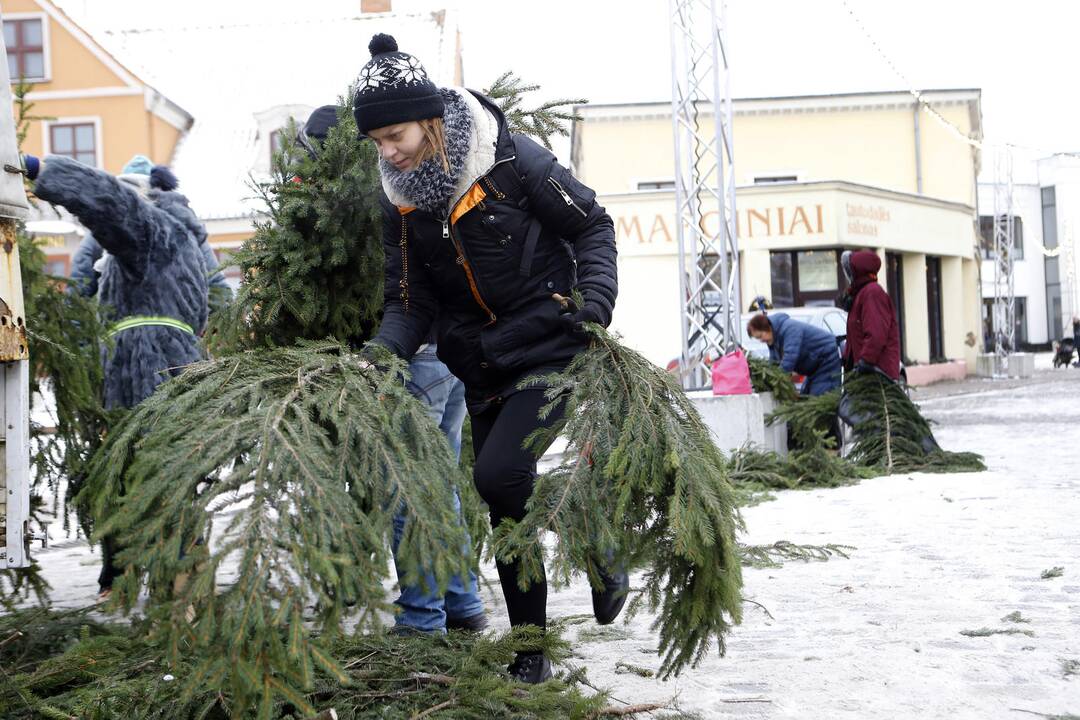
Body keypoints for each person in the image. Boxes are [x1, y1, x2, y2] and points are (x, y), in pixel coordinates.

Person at [355, 33, 624, 683]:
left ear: (427, 119)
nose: (386, 151)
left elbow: (592, 224)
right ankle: (530, 653)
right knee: (506, 506)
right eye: (377, 142)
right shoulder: (404, 201)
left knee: (498, 475)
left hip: (550, 340)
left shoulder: (508, 160)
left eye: (394, 135)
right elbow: (408, 301)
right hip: (480, 361)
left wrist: (594, 302)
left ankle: (592, 545)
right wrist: (378, 357)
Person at [298, 108, 487, 635]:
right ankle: (461, 601)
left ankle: (422, 618)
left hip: (412, 356)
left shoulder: (359, 204)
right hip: (442, 352)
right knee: (438, 479)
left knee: (408, 484)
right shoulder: (401, 184)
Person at [24, 152, 211, 595]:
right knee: (169, 474)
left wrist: (39, 170)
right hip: (170, 360)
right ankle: (175, 580)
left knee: (135, 472)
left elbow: (109, 202)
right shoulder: (181, 236)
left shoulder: (153, 232)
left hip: (145, 368)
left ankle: (163, 582)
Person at [68, 156, 233, 312]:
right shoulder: (185, 230)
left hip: (117, 333)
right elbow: (218, 289)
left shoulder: (100, 232)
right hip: (173, 334)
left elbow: (76, 297)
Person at [840, 249, 901, 381]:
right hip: (865, 374)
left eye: (849, 270)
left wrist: (866, 360)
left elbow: (876, 333)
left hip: (877, 374)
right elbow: (856, 335)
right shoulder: (860, 295)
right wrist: (846, 359)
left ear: (856, 271)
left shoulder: (872, 293)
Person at [746, 312, 842, 396]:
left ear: (767, 328)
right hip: (813, 368)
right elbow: (774, 364)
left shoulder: (790, 329)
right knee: (805, 397)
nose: (761, 340)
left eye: (760, 336)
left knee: (820, 397)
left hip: (827, 361)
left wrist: (776, 381)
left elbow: (789, 359)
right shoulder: (773, 340)